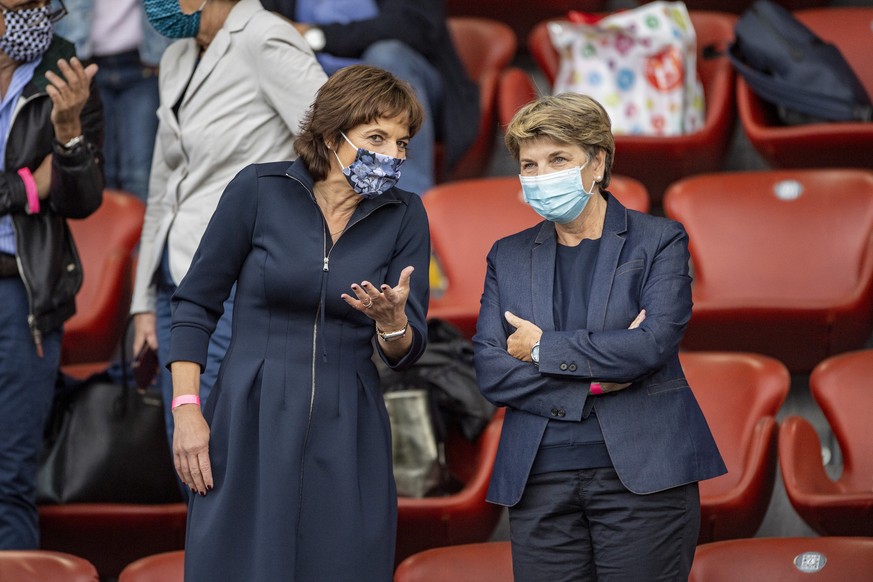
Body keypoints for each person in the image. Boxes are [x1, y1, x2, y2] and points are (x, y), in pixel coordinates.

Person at [167, 64, 430, 581]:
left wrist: (393, 324)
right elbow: (196, 304)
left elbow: (406, 350)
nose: (392, 155)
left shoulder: (406, 214)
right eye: (377, 137)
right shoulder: (259, 189)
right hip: (249, 411)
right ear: (332, 135)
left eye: (402, 143)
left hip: (348, 419)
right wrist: (187, 412)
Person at [472, 93, 726, 580]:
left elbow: (649, 345)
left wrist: (543, 347)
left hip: (644, 476)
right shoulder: (507, 255)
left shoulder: (659, 240)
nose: (542, 175)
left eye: (558, 159)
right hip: (539, 478)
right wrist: (593, 378)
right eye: (530, 164)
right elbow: (492, 371)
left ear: (598, 163)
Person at [130, 0, 326, 453]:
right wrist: (143, 299)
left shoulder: (265, 37)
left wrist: (285, 235)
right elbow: (164, 184)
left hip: (237, 279)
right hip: (175, 279)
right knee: (185, 449)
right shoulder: (178, 54)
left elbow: (334, 144)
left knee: (223, 449)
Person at [0, 0, 104, 548]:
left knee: (10, 477)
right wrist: (24, 188)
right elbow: (34, 190)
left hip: (25, 297)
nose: (38, 14)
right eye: (22, 5)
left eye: (45, 4)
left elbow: (83, 199)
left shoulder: (65, 75)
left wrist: (65, 137)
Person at [261, 0, 479, 196]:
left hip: (403, 80)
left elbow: (410, 25)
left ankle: (408, 205)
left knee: (387, 55)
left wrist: (314, 35)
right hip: (321, 83)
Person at [54, 0, 171, 201]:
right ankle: (103, 231)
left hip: (142, 62)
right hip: (85, 63)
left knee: (139, 174)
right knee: (98, 169)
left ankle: (140, 232)